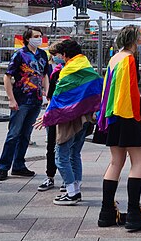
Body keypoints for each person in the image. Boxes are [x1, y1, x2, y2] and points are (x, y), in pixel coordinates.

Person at [97, 25, 141, 231]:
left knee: (115, 162)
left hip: (112, 115)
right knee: (138, 161)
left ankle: (106, 212)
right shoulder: (129, 59)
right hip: (127, 115)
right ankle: (134, 214)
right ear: (134, 39)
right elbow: (132, 91)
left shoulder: (115, 58)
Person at [37, 39, 102, 205]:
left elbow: (59, 99)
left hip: (69, 120)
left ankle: (72, 193)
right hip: (84, 118)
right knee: (75, 154)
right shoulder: (87, 68)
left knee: (61, 156)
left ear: (65, 55)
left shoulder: (67, 72)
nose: (57, 57)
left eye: (58, 54)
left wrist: (47, 116)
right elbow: (95, 92)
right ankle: (76, 188)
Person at [0, 28, 51, 181]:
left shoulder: (42, 54)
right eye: (36, 36)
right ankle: (3, 167)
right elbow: (8, 76)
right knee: (13, 134)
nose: (39, 39)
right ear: (27, 38)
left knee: (26, 134)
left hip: (36, 99)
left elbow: (45, 75)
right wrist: (11, 99)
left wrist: (47, 93)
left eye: (40, 36)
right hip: (21, 99)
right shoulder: (20, 54)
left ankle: (19, 165)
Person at [37, 44, 64, 192]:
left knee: (67, 149)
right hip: (54, 114)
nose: (54, 58)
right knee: (51, 147)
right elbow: (50, 96)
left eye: (56, 54)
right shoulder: (55, 73)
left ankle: (68, 179)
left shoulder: (74, 71)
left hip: (67, 116)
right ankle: (50, 176)